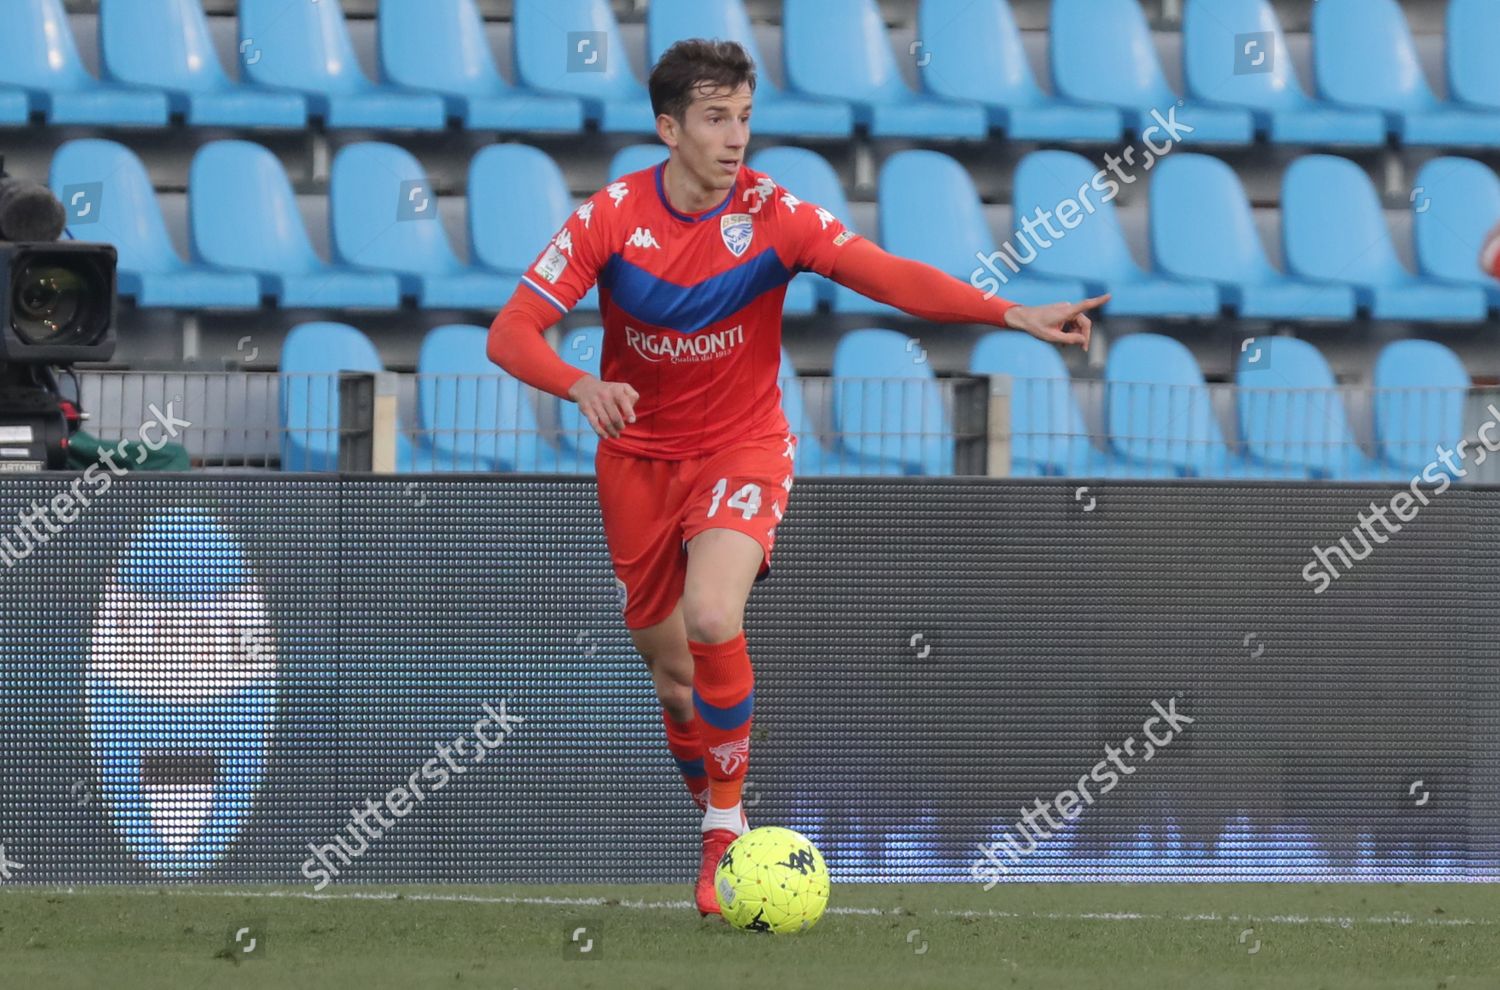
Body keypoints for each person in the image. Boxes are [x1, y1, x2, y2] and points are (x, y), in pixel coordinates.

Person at [487, 38, 1106, 917]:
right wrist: (580, 382)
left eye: (744, 115)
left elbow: (889, 276)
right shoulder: (610, 219)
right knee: (672, 676)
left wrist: (1009, 311)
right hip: (638, 462)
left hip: (744, 444)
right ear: (669, 128)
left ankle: (724, 834)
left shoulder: (775, 213)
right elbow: (509, 332)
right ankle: (712, 806)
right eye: (714, 118)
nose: (735, 135)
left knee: (712, 615)